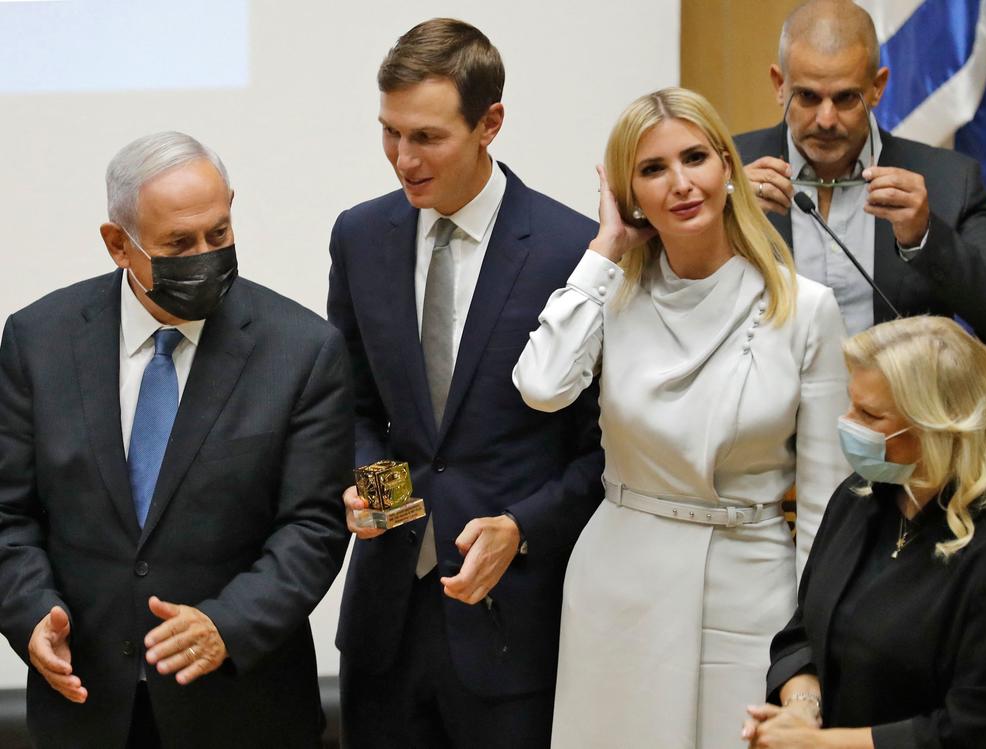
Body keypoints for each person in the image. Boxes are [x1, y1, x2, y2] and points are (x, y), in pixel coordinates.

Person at [513, 87, 852, 749]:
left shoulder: (805, 308)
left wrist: (808, 650)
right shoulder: (611, 291)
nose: (680, 182)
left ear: (727, 166)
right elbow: (542, 386)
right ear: (628, 192)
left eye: (695, 157)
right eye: (652, 169)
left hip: (751, 584)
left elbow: (825, 505)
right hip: (618, 584)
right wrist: (606, 246)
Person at [0, 132, 354, 748]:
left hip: (243, 708)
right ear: (118, 245)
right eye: (178, 244)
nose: (205, 256)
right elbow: (7, 514)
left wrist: (228, 623)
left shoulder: (302, 350)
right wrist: (29, 613)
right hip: (85, 706)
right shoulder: (38, 341)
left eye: (218, 234)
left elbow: (313, 526)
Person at [327, 18, 604, 748]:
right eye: (390, 132)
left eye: (427, 137)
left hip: (514, 625)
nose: (402, 159)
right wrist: (374, 489)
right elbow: (351, 404)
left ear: (490, 124)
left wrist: (522, 529)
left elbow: (603, 451)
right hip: (385, 619)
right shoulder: (359, 235)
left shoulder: (570, 249)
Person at [745, 315, 986, 748]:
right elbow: (802, 631)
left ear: (936, 427)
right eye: (850, 404)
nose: (847, 423)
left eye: (869, 414)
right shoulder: (858, 496)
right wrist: (802, 708)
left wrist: (822, 745)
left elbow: (976, 727)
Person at [734, 0, 986, 345]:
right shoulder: (727, 170)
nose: (826, 119)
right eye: (808, 96)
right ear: (779, 85)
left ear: (877, 87)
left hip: (896, 397)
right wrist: (725, 219)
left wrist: (925, 237)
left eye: (846, 98)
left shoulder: (949, 179)